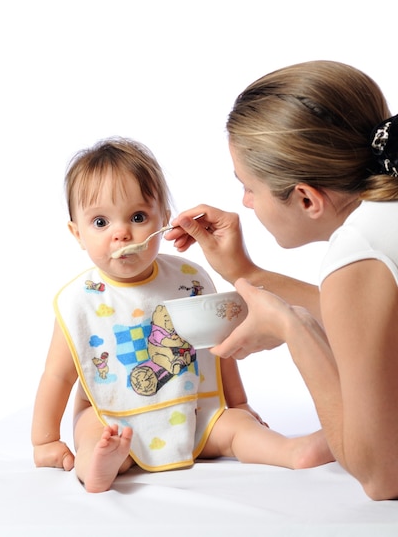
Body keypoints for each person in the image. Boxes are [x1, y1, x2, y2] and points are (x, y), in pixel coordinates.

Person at [31, 136, 333, 493]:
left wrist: (239, 404)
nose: (121, 233)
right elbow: (58, 376)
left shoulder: (189, 280)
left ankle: (291, 449)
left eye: (138, 217)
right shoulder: (81, 300)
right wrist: (44, 441)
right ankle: (100, 465)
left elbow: (218, 347)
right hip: (112, 416)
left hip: (193, 414)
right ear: (76, 233)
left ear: (163, 219)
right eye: (100, 222)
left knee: (236, 428)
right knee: (93, 433)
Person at [165, 60, 398, 501]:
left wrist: (293, 329)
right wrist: (245, 274)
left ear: (307, 198)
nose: (246, 202)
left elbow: (382, 477)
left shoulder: (357, 252)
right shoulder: (385, 221)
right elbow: (371, 322)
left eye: (249, 186)